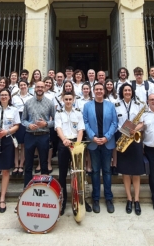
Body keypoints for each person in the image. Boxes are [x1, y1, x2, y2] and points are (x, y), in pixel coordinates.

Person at [83, 83, 118, 213]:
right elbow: (85, 122)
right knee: (96, 171)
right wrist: (93, 137)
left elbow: (115, 123)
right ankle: (96, 198)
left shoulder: (110, 105)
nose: (98, 91)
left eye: (100, 89)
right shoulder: (87, 106)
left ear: (104, 91)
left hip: (107, 142)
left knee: (107, 172)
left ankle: (109, 198)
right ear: (93, 91)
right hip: (93, 143)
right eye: (96, 89)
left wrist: (106, 137)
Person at [0, 89, 21, 214]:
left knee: (6, 170)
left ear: (10, 97)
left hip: (7, 140)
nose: (4, 97)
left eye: (6, 95)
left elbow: (17, 125)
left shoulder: (14, 110)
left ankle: (2, 199)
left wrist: (7, 132)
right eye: (2, 95)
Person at [115, 83, 145, 215]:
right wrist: (123, 133)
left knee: (136, 172)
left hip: (134, 139)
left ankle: (137, 200)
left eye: (129, 90)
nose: (127, 92)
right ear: (122, 92)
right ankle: (128, 198)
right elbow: (114, 122)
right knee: (125, 171)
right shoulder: (116, 105)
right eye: (125, 90)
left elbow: (142, 122)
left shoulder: (139, 104)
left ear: (132, 92)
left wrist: (134, 129)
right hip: (122, 138)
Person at [55, 92, 85, 215]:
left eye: (70, 99)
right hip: (63, 144)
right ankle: (63, 202)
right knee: (62, 175)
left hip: (75, 145)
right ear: (63, 100)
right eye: (66, 99)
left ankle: (80, 201)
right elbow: (58, 128)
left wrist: (77, 145)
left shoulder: (78, 113)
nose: (68, 101)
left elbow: (80, 130)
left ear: (73, 100)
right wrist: (64, 140)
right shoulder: (59, 113)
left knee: (77, 175)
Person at [22, 81, 56, 187]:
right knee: (28, 164)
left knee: (44, 163)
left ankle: (44, 187)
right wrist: (29, 125)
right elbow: (23, 120)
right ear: (34, 88)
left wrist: (45, 123)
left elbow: (55, 121)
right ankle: (27, 188)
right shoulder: (28, 103)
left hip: (43, 136)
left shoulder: (50, 103)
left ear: (45, 88)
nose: (40, 89)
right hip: (30, 136)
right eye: (38, 87)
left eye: (42, 87)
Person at [11, 80, 33, 178]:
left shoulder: (31, 97)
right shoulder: (14, 97)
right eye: (21, 85)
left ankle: (21, 165)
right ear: (19, 86)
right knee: (16, 144)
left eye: (24, 85)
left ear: (27, 86)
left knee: (24, 143)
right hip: (16, 118)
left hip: (27, 118)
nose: (23, 86)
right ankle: (16, 164)